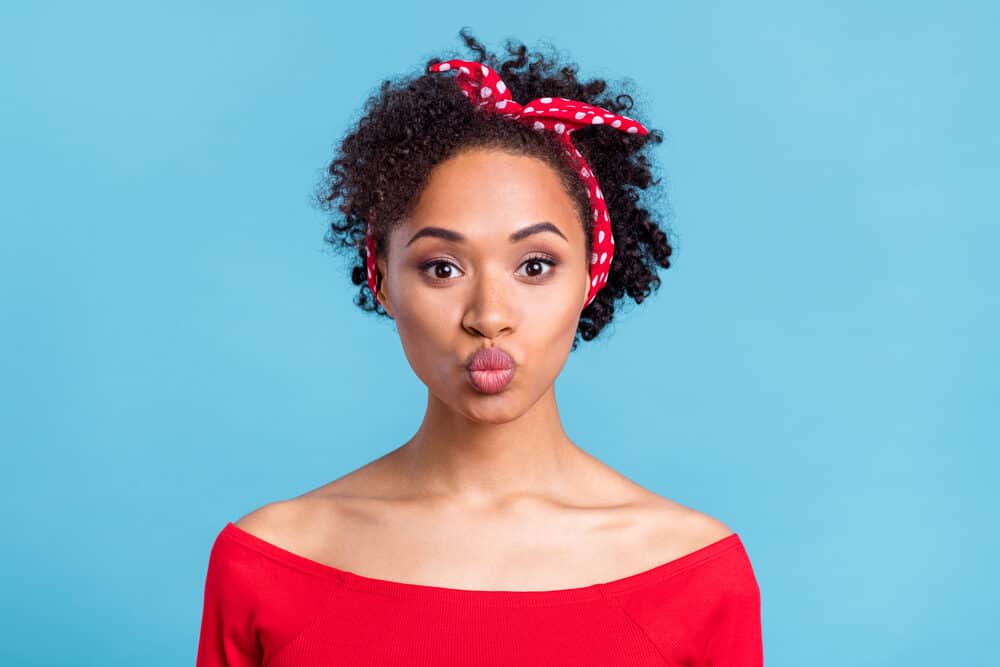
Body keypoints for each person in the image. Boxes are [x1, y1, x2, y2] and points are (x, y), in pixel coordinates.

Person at [196, 29, 762, 666]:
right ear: (382, 280)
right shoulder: (270, 561)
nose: (489, 316)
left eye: (535, 266)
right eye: (442, 268)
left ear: (591, 276)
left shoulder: (693, 573)